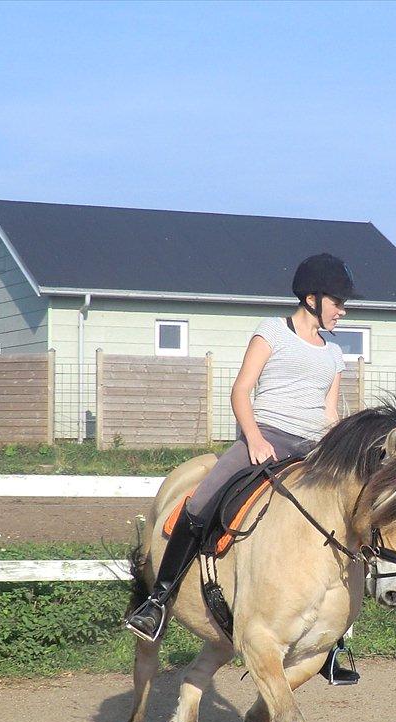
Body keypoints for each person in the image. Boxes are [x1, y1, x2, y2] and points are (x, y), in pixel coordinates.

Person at [125, 253, 361, 685]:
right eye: (338, 301)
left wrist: (338, 450)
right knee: (199, 501)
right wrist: (253, 438)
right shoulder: (271, 332)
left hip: (312, 451)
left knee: (350, 522)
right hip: (265, 438)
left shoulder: (334, 354)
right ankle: (157, 600)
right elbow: (241, 391)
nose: (343, 310)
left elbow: (329, 411)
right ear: (312, 298)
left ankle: (331, 638)